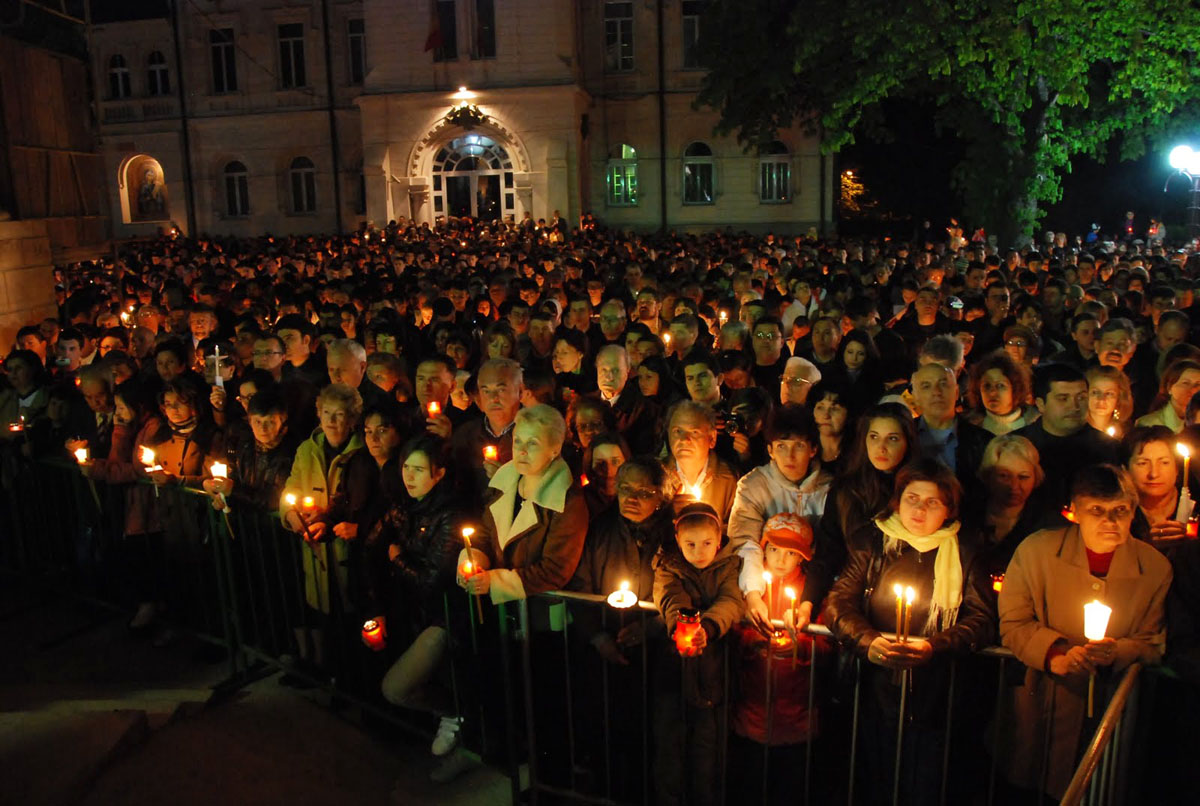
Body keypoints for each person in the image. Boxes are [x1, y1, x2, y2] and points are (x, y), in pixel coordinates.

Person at [823, 459, 995, 804]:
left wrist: (936, 647)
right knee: (874, 776)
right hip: (874, 685)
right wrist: (868, 641)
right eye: (912, 498)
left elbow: (982, 618)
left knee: (923, 780)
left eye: (932, 502)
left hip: (936, 691)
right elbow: (838, 603)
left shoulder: (965, 550)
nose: (920, 509)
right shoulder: (872, 541)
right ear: (898, 501)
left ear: (948, 510)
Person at [996, 464, 1171, 801]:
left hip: (1107, 714)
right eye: (1097, 511)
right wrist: (1055, 654)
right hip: (1039, 709)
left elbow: (1153, 641)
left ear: (1133, 512)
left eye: (1120, 511)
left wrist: (1118, 652)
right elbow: (1014, 622)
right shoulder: (1036, 553)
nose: (1110, 521)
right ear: (1074, 511)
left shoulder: (1154, 568)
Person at [361, 434, 465, 774]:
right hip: (408, 609)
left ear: (439, 474)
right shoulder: (403, 505)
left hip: (443, 616)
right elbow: (371, 544)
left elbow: (432, 579)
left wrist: (398, 557)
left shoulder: (450, 515)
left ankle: (455, 713)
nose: (409, 476)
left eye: (419, 469)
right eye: (406, 467)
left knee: (397, 687)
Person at [729, 513, 828, 805]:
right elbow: (734, 634)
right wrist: (753, 642)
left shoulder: (812, 594)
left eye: (790, 553)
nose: (781, 559)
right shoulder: (749, 589)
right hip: (753, 712)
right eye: (774, 550)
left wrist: (802, 647)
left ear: (803, 558)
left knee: (790, 789)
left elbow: (827, 645)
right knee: (750, 786)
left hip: (796, 715)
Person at [652, 501, 744, 806]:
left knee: (708, 753)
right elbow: (670, 599)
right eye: (690, 544)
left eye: (707, 543)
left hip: (713, 676)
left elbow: (731, 600)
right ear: (678, 540)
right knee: (670, 750)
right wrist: (685, 627)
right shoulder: (667, 567)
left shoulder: (729, 566)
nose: (699, 551)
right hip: (672, 675)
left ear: (719, 541)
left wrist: (708, 626)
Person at [800, 403, 920, 631]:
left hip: (903, 608)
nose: (881, 448)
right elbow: (828, 552)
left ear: (908, 442)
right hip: (852, 606)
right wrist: (808, 603)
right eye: (874, 437)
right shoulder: (846, 490)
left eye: (892, 439)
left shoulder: (919, 492)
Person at [457, 404, 587, 603]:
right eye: (517, 441)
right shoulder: (503, 482)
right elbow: (485, 533)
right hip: (500, 610)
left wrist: (495, 582)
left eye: (533, 443)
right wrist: (473, 562)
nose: (522, 451)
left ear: (554, 450)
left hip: (539, 611)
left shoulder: (567, 502)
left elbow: (555, 570)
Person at [279, 383, 365, 676]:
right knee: (323, 615)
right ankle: (330, 674)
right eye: (326, 413)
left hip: (349, 549)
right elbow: (291, 487)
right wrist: (291, 514)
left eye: (339, 414)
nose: (331, 421)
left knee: (352, 616)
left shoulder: (361, 452)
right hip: (315, 548)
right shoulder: (307, 449)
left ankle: (351, 679)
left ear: (352, 419)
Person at [728, 405, 830, 630]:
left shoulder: (829, 489)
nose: (790, 456)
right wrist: (753, 594)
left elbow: (829, 549)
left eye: (799, 446)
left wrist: (808, 601)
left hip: (811, 591)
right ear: (770, 450)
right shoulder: (753, 486)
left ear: (813, 449)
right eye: (782, 446)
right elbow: (744, 541)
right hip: (764, 584)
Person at [663, 400, 740, 526]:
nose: (684, 440)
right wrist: (668, 513)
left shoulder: (729, 480)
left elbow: (736, 531)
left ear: (712, 438)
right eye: (678, 431)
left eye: (694, 432)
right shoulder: (656, 476)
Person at [1123, 425, 1191, 548]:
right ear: (1126, 469)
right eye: (1143, 463)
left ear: (1177, 468)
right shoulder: (1119, 513)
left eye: (1164, 463)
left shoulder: (1195, 511)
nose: (1154, 474)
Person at [964, 350, 1037, 436]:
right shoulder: (968, 428)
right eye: (987, 386)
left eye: (1000, 386)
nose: (992, 392)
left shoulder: (1035, 425)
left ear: (1015, 389)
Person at [1136, 358, 1200, 433]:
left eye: (1198, 384)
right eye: (1185, 383)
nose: (1193, 389)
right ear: (1169, 387)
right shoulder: (1149, 424)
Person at [1085, 365, 1133, 438]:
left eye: (1109, 394)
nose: (1101, 399)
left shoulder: (1127, 434)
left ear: (1119, 399)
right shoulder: (1073, 430)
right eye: (1095, 392)